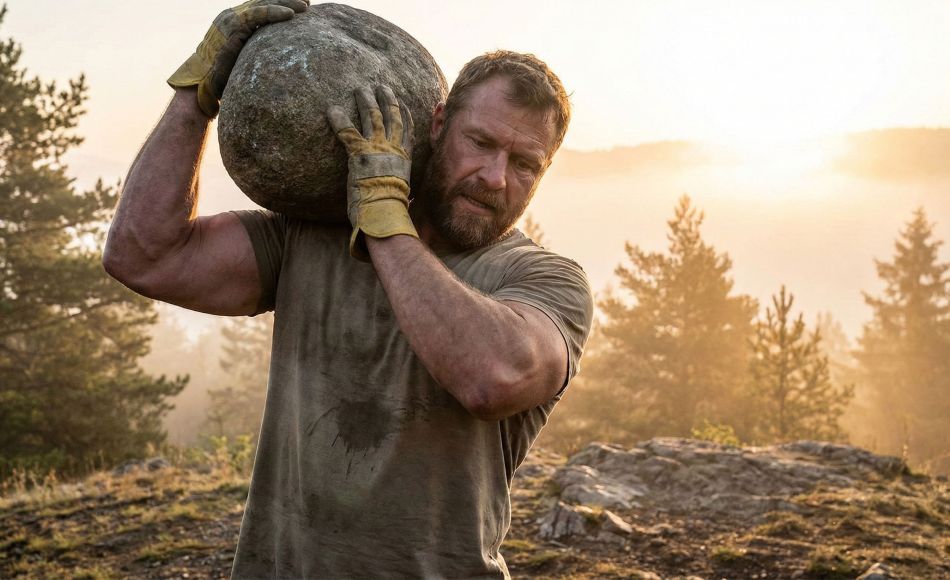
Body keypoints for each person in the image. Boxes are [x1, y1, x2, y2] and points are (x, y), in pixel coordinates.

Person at [103, 1, 593, 577]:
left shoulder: (544, 281)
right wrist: (197, 93)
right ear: (436, 126)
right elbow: (143, 254)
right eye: (481, 142)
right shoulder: (312, 235)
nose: (495, 177)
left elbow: (492, 378)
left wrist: (384, 218)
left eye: (525, 164)